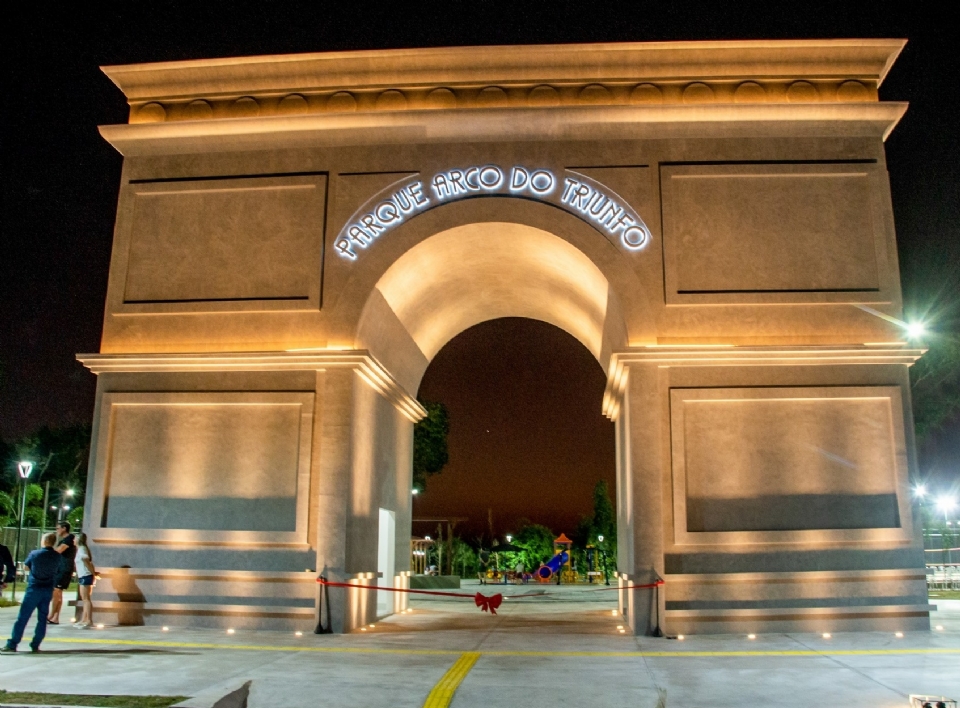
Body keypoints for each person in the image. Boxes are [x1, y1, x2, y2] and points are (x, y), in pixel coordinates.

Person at [2, 533, 61, 653]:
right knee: (42, 618)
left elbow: (26, 567)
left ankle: (13, 643)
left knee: (23, 617)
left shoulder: (35, 554)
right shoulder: (57, 556)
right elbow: (58, 570)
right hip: (47, 589)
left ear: (44, 541)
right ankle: (36, 644)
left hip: (34, 588)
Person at [47, 521, 77, 624]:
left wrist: (47, 550)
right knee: (58, 593)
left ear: (64, 528)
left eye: (58, 528)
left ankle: (51, 615)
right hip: (62, 569)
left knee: (56, 591)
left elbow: (58, 551)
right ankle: (55, 617)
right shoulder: (66, 539)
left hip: (64, 569)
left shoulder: (69, 539)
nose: (57, 530)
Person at [73, 533, 97, 628]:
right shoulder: (80, 549)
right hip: (83, 576)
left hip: (86, 575)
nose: (73, 540)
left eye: (74, 538)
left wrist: (93, 574)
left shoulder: (82, 549)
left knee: (86, 599)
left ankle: (89, 620)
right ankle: (84, 619)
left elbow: (86, 560)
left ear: (78, 539)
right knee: (84, 599)